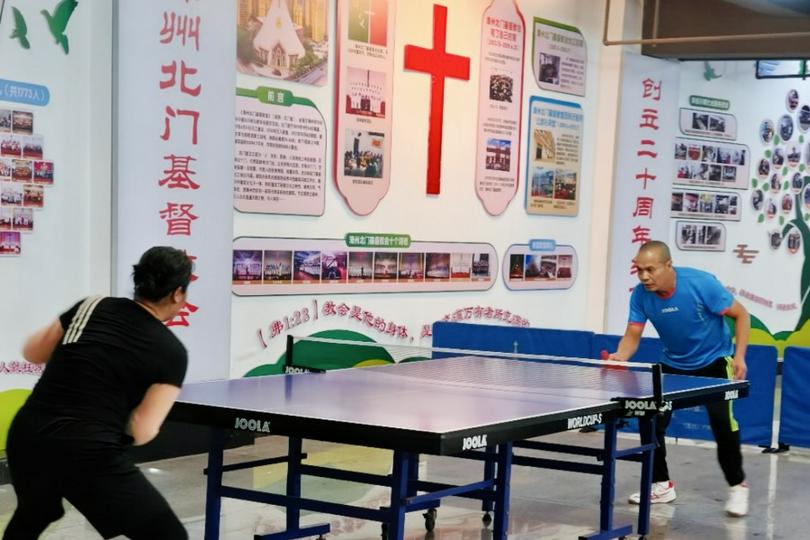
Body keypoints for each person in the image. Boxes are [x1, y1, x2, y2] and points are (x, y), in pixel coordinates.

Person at [3, 246, 192, 540]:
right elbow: (142, 431)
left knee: (34, 513)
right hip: (87, 451)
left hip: (28, 437)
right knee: (168, 536)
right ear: (178, 293)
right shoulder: (172, 352)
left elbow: (32, 352)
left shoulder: (91, 306)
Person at [608, 240, 750, 517]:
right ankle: (661, 484)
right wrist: (620, 356)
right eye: (639, 270)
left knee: (723, 422)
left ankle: (738, 485)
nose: (644, 276)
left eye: (650, 269)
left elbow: (741, 315)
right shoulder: (640, 296)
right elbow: (632, 335)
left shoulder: (701, 284)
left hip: (714, 361)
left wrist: (740, 356)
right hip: (673, 362)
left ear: (668, 265)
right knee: (648, 417)